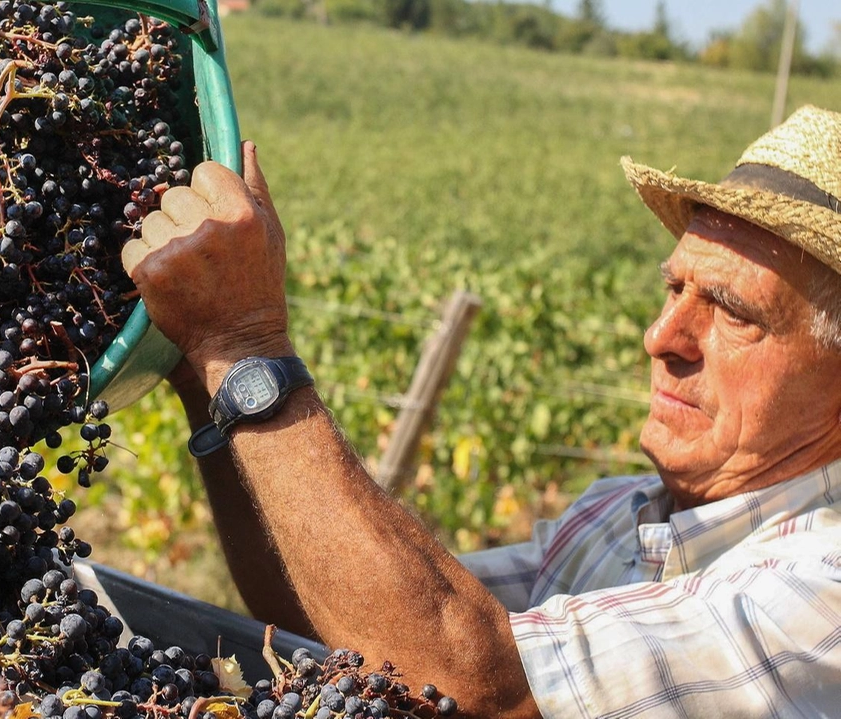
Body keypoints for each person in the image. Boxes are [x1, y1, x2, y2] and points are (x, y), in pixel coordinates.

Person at [119, 104, 841, 718]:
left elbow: (464, 683)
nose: (663, 338)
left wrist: (246, 347)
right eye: (674, 290)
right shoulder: (619, 516)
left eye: (734, 314)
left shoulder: (823, 592)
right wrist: (206, 379)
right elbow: (346, 623)